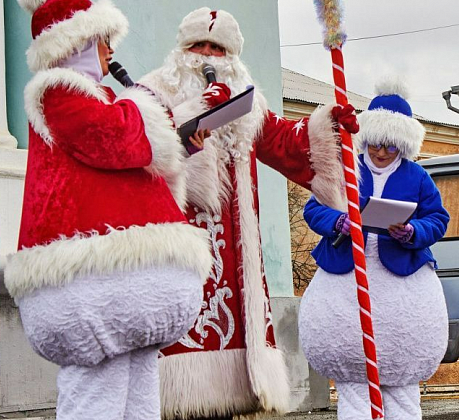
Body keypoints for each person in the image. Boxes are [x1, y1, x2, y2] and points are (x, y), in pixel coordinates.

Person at [138, 7, 359, 419]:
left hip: (237, 259)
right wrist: (193, 116)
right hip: (178, 245)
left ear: (232, 56)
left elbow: (285, 143)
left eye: (217, 48)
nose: (207, 56)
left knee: (231, 393)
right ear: (181, 49)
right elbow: (141, 153)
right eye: (198, 46)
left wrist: (328, 125)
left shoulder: (248, 103)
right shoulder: (152, 93)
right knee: (177, 378)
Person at [4, 1, 215, 418]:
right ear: (78, 41)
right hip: (93, 278)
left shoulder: (93, 96)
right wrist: (151, 113)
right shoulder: (58, 91)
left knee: (137, 390)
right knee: (97, 392)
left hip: (116, 280)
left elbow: (125, 164)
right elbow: (114, 138)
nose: (109, 53)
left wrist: (178, 141)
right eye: (103, 41)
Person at [298, 78, 451, 420]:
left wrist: (412, 231)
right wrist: (338, 222)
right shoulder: (343, 169)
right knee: (354, 387)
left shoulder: (418, 177)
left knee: (401, 387)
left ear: (403, 145)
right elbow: (314, 208)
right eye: (377, 143)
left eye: (391, 146)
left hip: (401, 275)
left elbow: (438, 218)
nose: (382, 152)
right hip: (346, 272)